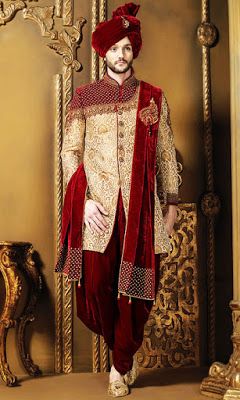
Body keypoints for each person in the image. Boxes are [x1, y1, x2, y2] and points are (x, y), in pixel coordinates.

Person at [55, 2, 179, 397]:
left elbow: (165, 155)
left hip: (141, 213)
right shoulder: (84, 97)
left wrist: (171, 205)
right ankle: (122, 352)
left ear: (133, 51)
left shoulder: (154, 97)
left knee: (137, 293)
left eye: (127, 48)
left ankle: (119, 365)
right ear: (102, 53)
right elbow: (69, 152)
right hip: (98, 211)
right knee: (94, 289)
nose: (121, 55)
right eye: (115, 49)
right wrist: (84, 200)